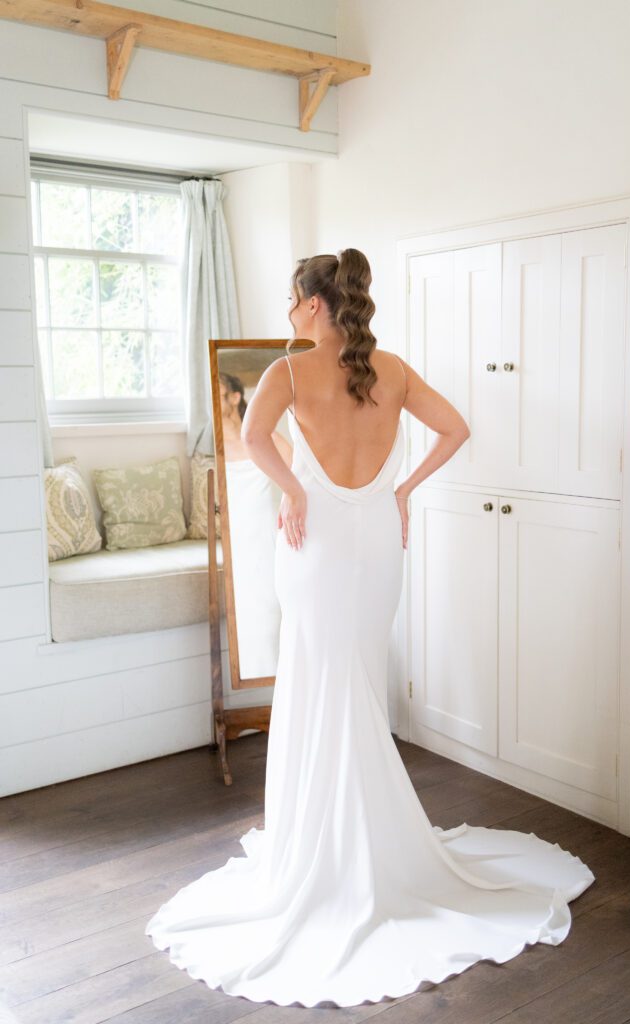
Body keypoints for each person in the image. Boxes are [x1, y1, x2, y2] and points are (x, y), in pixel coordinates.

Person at [144, 248, 595, 1008]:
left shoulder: (288, 371)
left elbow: (254, 444)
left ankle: (320, 850)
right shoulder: (393, 368)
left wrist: (292, 491)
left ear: (314, 305)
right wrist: (402, 490)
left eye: (293, 300)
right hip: (377, 542)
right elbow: (454, 430)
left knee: (319, 676)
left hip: (316, 542)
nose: (289, 313)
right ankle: (363, 843)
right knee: (355, 676)